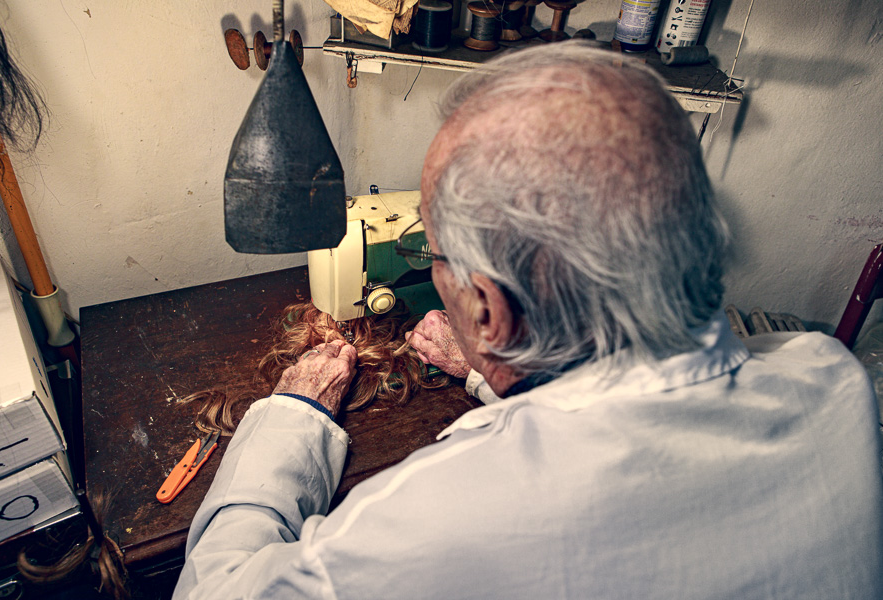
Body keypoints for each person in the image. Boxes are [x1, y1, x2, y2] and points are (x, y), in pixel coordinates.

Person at [174, 43, 883, 599]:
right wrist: (499, 370)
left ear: (489, 310)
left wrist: (295, 413)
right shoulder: (829, 375)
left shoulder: (442, 521)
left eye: (437, 256)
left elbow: (216, 591)